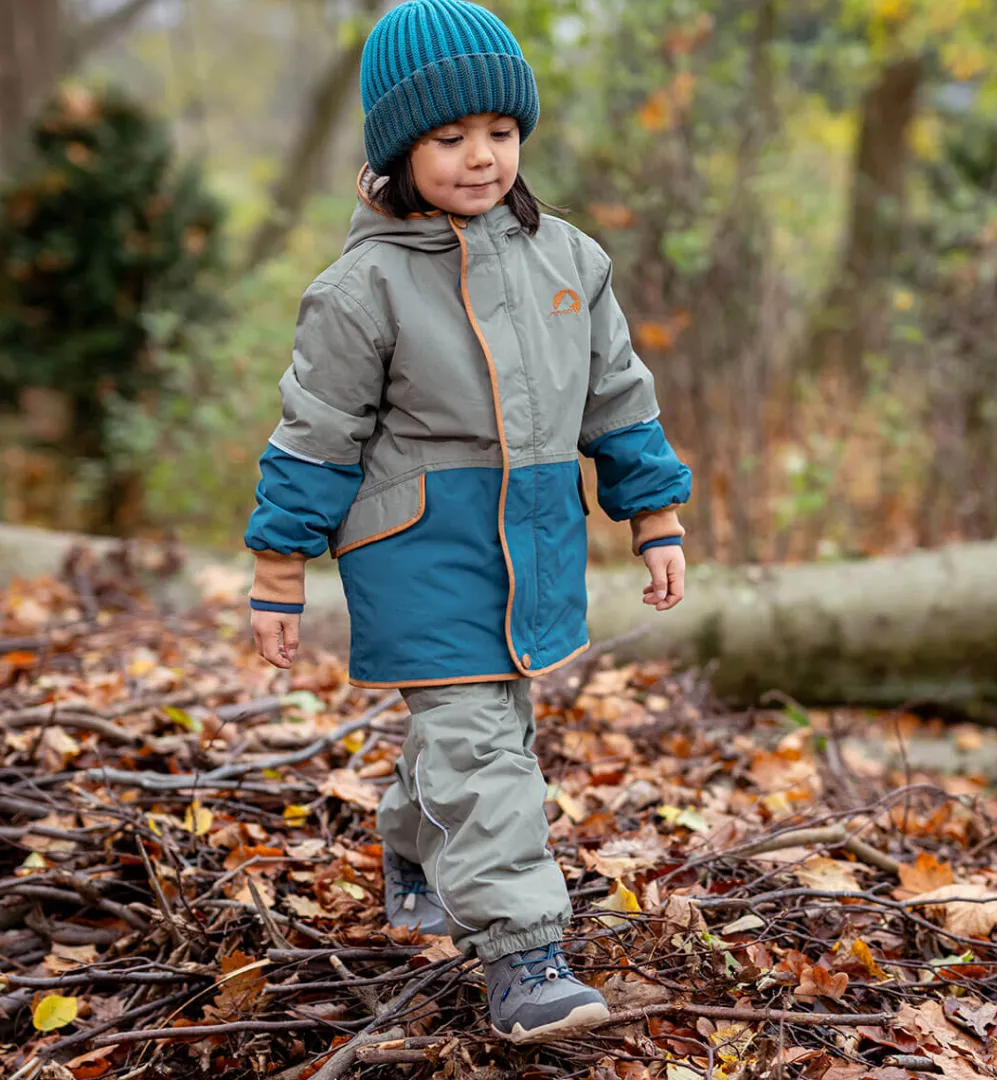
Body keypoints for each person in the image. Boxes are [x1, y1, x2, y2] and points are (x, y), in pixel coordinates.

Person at [244, 0, 692, 1044]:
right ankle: (526, 955)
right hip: (417, 547)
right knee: (480, 746)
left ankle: (410, 844)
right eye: (449, 138)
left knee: (486, 730)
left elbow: (617, 396)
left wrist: (654, 515)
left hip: (532, 538)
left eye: (500, 131)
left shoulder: (570, 262)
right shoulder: (361, 289)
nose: (481, 156)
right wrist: (279, 567)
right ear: (399, 151)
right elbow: (315, 434)